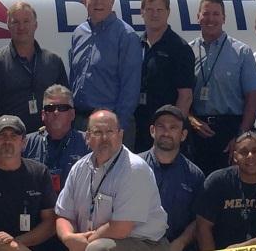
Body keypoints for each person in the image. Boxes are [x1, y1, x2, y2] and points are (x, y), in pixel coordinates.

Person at [54, 110, 169, 251]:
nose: (104, 138)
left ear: (120, 135)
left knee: (98, 249)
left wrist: (84, 243)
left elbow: (121, 228)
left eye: (110, 132)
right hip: (97, 240)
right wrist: (68, 237)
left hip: (145, 243)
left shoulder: (134, 169)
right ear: (87, 137)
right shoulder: (79, 168)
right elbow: (63, 215)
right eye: (97, 132)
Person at [188, 0, 256, 174]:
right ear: (198, 17)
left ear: (224, 18)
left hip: (230, 129)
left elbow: (253, 98)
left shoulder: (242, 52)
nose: (211, 19)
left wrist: (240, 136)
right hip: (197, 129)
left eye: (216, 14)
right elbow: (181, 94)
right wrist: (191, 120)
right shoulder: (188, 51)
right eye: (206, 13)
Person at [0, 116, 58, 251]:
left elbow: (50, 222)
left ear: (23, 142)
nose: (7, 141)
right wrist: (10, 246)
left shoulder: (40, 173)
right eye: (2, 135)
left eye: (13, 136)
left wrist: (16, 243)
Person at [68, 0, 143, 148]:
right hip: (80, 123)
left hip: (110, 125)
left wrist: (116, 128)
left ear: (112, 2)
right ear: (85, 1)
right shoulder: (79, 33)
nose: (98, 2)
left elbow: (130, 89)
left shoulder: (126, 36)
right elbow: (73, 78)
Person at [194, 131, 256, 251]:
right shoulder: (217, 181)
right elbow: (203, 227)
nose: (250, 156)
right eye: (244, 152)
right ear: (235, 156)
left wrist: (243, 248)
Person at [0, 1, 68, 132]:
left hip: (49, 137)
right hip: (12, 139)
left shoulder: (53, 61)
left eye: (26, 21)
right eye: (15, 22)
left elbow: (65, 102)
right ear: (8, 26)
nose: (21, 27)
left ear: (35, 25)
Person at [138, 105, 206, 251]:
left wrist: (180, 242)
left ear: (183, 135)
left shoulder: (195, 175)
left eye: (173, 127)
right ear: (152, 131)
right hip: (137, 243)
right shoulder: (133, 167)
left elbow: (199, 219)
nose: (166, 133)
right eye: (161, 126)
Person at [136, 0, 195, 151]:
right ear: (142, 12)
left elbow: (185, 96)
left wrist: (173, 129)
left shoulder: (179, 48)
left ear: (168, 12)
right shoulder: (136, 44)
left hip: (164, 128)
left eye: (159, 10)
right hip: (139, 126)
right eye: (149, 9)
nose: (154, 14)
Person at [23, 85, 90, 192]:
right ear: (43, 115)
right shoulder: (26, 143)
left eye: (62, 108)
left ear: (72, 114)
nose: (56, 112)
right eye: (50, 108)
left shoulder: (88, 142)